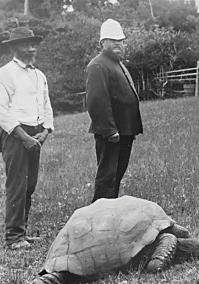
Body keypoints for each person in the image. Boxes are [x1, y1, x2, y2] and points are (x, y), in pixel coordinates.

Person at [0, 27, 53, 250]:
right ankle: (13, 237)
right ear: (14, 47)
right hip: (15, 135)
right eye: (27, 43)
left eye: (34, 43)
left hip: (36, 134)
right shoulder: (4, 74)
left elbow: (46, 105)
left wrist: (45, 131)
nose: (32, 47)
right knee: (16, 185)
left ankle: (22, 231)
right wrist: (23, 136)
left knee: (30, 185)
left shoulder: (39, 75)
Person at [85, 19, 142, 202]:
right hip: (112, 132)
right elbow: (96, 100)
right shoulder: (98, 65)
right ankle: (99, 216)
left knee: (116, 175)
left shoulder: (117, 64)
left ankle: (111, 214)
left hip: (125, 130)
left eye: (121, 40)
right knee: (107, 177)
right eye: (113, 40)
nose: (119, 43)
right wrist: (109, 129)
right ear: (103, 43)